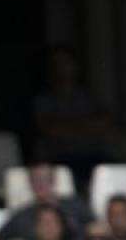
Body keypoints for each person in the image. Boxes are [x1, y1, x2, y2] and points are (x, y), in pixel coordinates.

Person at [31, 46, 111, 197]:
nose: (62, 68)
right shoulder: (44, 100)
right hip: (61, 158)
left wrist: (68, 126)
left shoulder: (88, 96)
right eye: (57, 64)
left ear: (75, 66)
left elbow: (104, 122)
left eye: (66, 63)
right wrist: (86, 125)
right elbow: (49, 129)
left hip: (93, 155)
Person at [0, 162, 94, 240]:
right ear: (30, 183)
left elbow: (97, 228)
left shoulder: (75, 206)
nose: (40, 183)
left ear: (53, 180)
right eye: (36, 180)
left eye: (45, 179)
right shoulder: (21, 216)